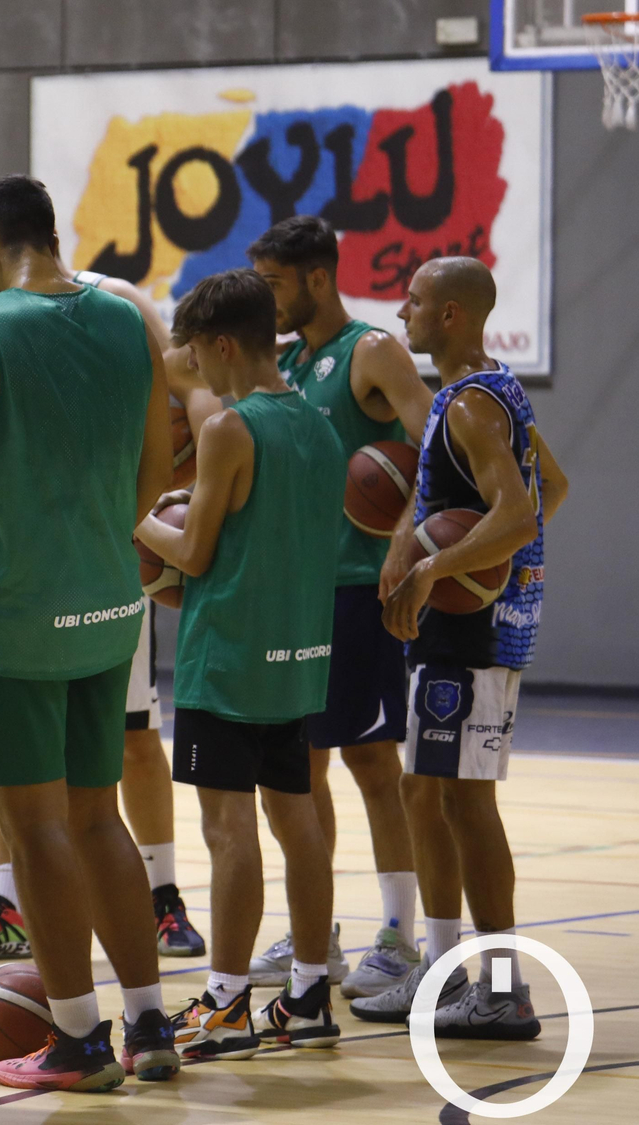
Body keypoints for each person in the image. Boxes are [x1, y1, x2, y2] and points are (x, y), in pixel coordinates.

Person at [0, 175, 176, 1093]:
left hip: (14, 609)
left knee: (34, 825)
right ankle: (151, 1024)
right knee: (96, 813)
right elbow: (156, 469)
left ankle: (78, 1038)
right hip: (112, 601)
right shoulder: (127, 321)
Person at [0, 268, 216, 965]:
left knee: (133, 741)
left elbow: (196, 395)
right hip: (49, 574)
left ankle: (162, 895)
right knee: (27, 776)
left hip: (98, 563)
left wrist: (151, 509)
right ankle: (11, 905)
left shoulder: (118, 304)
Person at [353, 256, 567, 1039]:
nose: (399, 311)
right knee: (427, 793)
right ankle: (444, 972)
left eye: (413, 301)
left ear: (450, 314)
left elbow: (516, 512)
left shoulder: (472, 405)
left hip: (471, 629)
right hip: (464, 622)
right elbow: (555, 488)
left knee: (469, 805)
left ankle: (503, 989)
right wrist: (409, 535)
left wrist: (444, 565)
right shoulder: (483, 389)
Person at [136, 269, 347, 1061]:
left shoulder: (232, 427)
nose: (196, 369)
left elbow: (191, 553)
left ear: (224, 344)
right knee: (298, 825)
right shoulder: (320, 426)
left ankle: (225, 1002)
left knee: (229, 833)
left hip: (228, 659)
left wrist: (137, 517)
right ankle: (309, 993)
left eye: (196, 354)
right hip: (297, 656)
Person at [247, 216, 435, 997]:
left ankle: (399, 932)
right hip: (296, 591)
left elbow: (437, 446)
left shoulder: (372, 351)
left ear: (317, 277)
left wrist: (404, 536)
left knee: (370, 761)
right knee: (300, 765)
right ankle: (314, 925)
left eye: (275, 285)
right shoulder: (287, 362)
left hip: (360, 590)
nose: (267, 300)